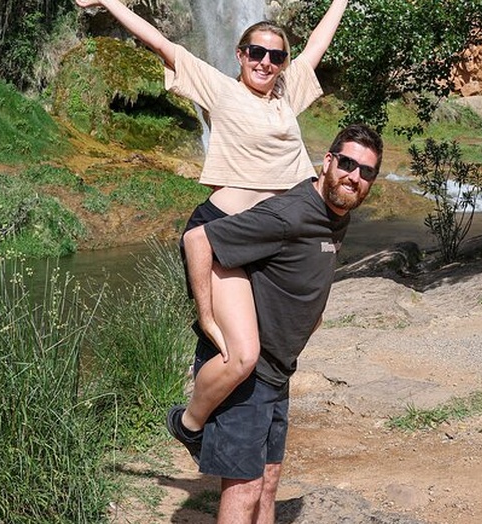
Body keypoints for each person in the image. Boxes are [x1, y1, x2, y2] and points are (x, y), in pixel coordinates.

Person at [73, 0, 350, 458]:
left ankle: (256, 426)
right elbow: (161, 43)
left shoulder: (288, 93)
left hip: (276, 238)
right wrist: (110, 3)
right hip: (224, 230)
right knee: (241, 354)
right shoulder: (221, 90)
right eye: (256, 53)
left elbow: (320, 42)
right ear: (240, 55)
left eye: (276, 56)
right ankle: (189, 424)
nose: (266, 62)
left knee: (284, 338)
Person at [182, 123, 383, 523]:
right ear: (327, 161)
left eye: (366, 172)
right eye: (346, 163)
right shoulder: (290, 214)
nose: (355, 177)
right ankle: (187, 423)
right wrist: (206, 315)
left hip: (278, 370)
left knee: (269, 481)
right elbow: (199, 239)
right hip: (248, 374)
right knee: (244, 489)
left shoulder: (336, 209)